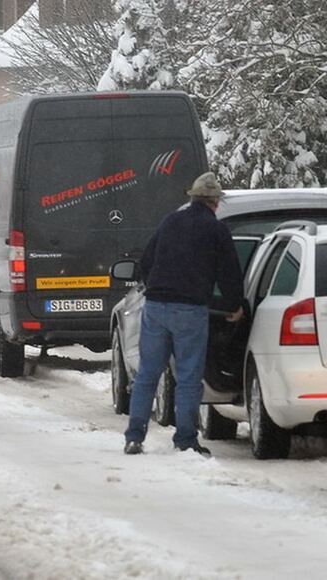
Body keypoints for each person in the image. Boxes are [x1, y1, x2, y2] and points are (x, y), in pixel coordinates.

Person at [124, 172, 245, 458]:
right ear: (215, 203)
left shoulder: (170, 221)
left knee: (147, 375)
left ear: (192, 197)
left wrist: (155, 285)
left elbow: (147, 260)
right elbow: (230, 272)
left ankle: (134, 436)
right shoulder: (216, 230)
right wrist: (233, 306)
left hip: (155, 307)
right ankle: (186, 439)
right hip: (190, 310)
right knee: (189, 377)